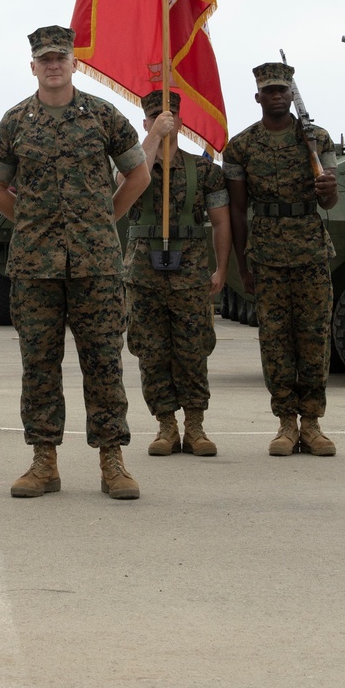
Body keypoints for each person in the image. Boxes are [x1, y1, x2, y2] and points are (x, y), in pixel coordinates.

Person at [0, 25, 151, 500]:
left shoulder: (104, 116)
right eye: (45, 58)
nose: (53, 65)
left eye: (61, 57)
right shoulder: (15, 122)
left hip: (95, 265)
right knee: (39, 364)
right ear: (33, 66)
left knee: (103, 363)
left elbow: (138, 174)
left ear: (74, 62)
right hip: (35, 268)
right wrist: (33, 220)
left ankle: (112, 460)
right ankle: (43, 461)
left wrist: (105, 216)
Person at [223, 61, 339, 456]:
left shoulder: (316, 139)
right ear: (258, 96)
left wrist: (326, 188)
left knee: (314, 338)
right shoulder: (240, 146)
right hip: (268, 255)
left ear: (292, 95)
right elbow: (238, 212)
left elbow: (331, 201)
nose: (276, 95)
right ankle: (286, 424)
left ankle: (312, 423)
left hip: (310, 249)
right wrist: (243, 266)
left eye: (282, 90)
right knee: (274, 341)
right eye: (269, 90)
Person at [124, 89, 231, 456]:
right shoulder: (133, 165)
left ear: (182, 122)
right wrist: (153, 139)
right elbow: (126, 188)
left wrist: (221, 267)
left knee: (193, 349)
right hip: (144, 275)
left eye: (168, 118)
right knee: (152, 352)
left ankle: (195, 426)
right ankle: (165, 426)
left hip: (190, 274)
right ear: (146, 122)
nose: (163, 122)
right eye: (154, 118)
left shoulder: (204, 171)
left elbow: (220, 222)